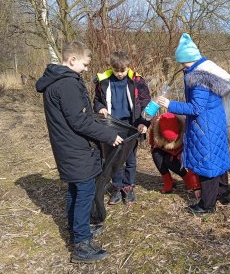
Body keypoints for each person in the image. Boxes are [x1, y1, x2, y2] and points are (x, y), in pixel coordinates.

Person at [36, 41, 123, 263]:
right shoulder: (66, 84)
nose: (86, 69)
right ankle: (81, 246)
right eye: (84, 64)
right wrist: (109, 135)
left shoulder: (58, 81)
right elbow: (79, 122)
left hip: (68, 147)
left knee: (76, 190)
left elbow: (79, 116)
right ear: (72, 59)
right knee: (83, 193)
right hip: (75, 148)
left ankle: (77, 229)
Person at [157, 33, 230, 214]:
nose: (182, 66)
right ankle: (223, 193)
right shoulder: (207, 72)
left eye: (182, 62)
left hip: (204, 126)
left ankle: (207, 205)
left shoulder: (198, 78)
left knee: (206, 164)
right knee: (217, 158)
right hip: (214, 124)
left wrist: (170, 105)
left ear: (188, 59)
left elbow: (196, 108)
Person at [93, 51, 151, 206]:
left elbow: (147, 103)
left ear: (128, 67)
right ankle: (117, 187)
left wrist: (144, 123)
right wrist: (100, 108)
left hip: (132, 125)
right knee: (115, 157)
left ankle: (128, 187)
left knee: (130, 158)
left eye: (123, 70)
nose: (119, 74)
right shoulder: (103, 81)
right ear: (111, 67)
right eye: (116, 70)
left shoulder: (137, 80)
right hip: (112, 124)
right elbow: (97, 100)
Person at [148, 112, 201, 196]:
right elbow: (152, 142)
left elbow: (192, 164)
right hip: (164, 149)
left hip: (179, 152)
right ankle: (168, 181)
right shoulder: (156, 126)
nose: (170, 142)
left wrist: (196, 186)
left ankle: (187, 179)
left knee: (169, 162)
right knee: (155, 153)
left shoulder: (187, 130)